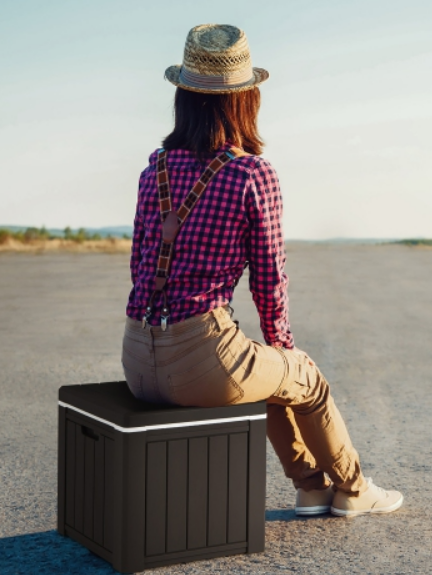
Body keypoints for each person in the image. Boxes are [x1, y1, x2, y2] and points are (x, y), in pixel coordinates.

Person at [121, 24, 403, 517]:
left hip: (138, 359)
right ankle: (355, 491)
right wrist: (284, 344)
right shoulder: (251, 173)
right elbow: (270, 280)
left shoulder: (155, 170)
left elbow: (139, 264)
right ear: (245, 99)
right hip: (201, 360)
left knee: (271, 373)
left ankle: (312, 488)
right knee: (303, 377)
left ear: (183, 99)